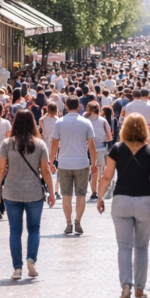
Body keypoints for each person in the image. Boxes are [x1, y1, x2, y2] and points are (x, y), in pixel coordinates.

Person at [95, 113, 150, 298]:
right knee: (142, 247)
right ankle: (139, 288)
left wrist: (100, 197)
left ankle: (126, 285)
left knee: (124, 247)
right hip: (145, 201)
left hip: (122, 200)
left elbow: (107, 177)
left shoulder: (117, 149)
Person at [0, 110, 56, 280]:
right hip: (34, 192)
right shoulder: (40, 144)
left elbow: (1, 169)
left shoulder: (7, 144)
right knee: (34, 229)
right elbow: (46, 170)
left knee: (15, 231)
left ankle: (17, 268)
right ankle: (31, 260)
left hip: (12, 191)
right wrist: (52, 192)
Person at [50, 96, 98, 235]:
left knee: (66, 194)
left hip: (64, 162)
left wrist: (51, 161)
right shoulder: (86, 123)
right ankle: (78, 220)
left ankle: (68, 223)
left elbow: (54, 143)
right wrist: (94, 163)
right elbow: (91, 144)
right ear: (79, 106)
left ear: (65, 106)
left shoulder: (59, 122)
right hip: (82, 162)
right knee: (81, 194)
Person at [85, 101, 113, 201]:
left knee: (93, 172)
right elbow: (109, 137)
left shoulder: (84, 120)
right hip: (101, 148)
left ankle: (94, 192)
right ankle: (101, 191)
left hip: (87, 149)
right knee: (101, 171)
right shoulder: (103, 120)